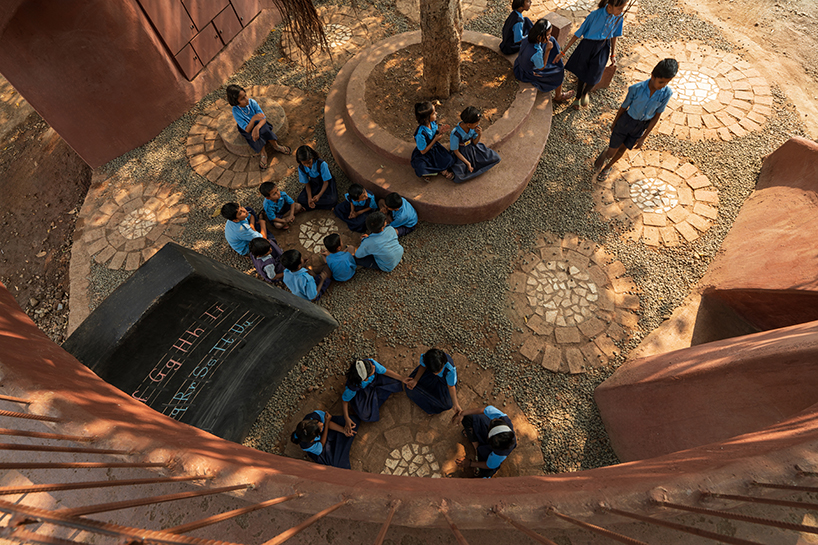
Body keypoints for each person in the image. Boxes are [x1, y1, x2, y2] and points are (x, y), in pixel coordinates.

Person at [594, 58, 677, 181]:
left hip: (640, 126)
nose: (663, 85)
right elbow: (624, 107)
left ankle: (607, 167)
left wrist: (643, 137)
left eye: (667, 82)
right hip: (626, 121)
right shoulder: (636, 88)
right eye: (661, 82)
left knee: (622, 150)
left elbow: (656, 116)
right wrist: (615, 123)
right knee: (611, 152)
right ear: (653, 76)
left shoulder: (666, 93)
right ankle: (607, 152)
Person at [555, 0, 627, 110]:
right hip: (587, 46)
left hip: (603, 47)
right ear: (609, 6)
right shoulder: (594, 15)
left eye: (623, 8)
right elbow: (578, 34)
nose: (622, 11)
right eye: (620, 8)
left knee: (596, 75)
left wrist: (613, 54)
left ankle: (585, 92)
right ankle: (578, 97)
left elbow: (614, 36)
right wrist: (563, 52)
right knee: (582, 72)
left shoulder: (618, 17)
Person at [225, 84, 291, 170]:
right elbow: (247, 129)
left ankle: (276, 146)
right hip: (247, 127)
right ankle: (263, 153)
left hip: (259, 123)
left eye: (245, 95)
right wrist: (253, 120)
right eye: (242, 99)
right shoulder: (235, 111)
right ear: (235, 102)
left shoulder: (252, 102)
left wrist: (257, 128)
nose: (246, 99)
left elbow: (263, 118)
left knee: (265, 130)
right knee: (255, 137)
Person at [513, 18, 574, 101]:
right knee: (558, 72)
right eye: (548, 34)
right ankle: (558, 96)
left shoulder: (527, 37)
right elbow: (541, 67)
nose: (550, 36)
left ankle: (555, 57)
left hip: (520, 63)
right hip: (527, 73)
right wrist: (547, 51)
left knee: (552, 40)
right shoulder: (536, 53)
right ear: (539, 37)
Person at [342, 358, 408, 433]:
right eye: (372, 370)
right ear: (366, 379)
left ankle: (374, 397)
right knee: (365, 414)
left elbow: (385, 371)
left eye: (372, 366)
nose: (374, 367)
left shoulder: (371, 363)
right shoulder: (353, 388)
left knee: (395, 381)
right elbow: (345, 401)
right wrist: (346, 418)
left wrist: (402, 379)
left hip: (375, 380)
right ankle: (375, 395)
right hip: (362, 392)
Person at [456, 405, 517, 478]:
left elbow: (489, 465)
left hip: (490, 448)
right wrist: (463, 413)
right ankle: (477, 448)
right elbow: (484, 410)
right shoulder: (503, 419)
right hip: (491, 437)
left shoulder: (500, 453)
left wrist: (470, 463)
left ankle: (475, 439)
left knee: (486, 475)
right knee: (467, 418)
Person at [290, 409, 358, 469]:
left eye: (317, 422)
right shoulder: (307, 445)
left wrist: (343, 430)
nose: (321, 424)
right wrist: (326, 424)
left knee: (353, 423)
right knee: (337, 464)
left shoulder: (314, 416)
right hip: (321, 444)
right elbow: (321, 444)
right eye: (320, 428)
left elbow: (325, 422)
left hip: (327, 429)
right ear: (313, 439)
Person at [405, 348, 462, 418]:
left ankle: (431, 409)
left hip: (443, 382)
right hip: (429, 375)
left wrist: (456, 404)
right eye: (435, 372)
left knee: (447, 404)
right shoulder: (427, 358)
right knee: (410, 386)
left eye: (438, 371)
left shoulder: (450, 370)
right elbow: (423, 366)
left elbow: (451, 386)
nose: (436, 374)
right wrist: (415, 380)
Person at [449, 107, 501, 183]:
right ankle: (473, 169)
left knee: (496, 158)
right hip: (461, 153)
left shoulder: (472, 128)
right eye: (476, 123)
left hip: (472, 148)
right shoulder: (455, 134)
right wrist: (468, 163)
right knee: (459, 177)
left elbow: (474, 143)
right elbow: (456, 151)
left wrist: (479, 134)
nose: (478, 125)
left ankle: (473, 171)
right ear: (469, 124)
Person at [410, 102, 455, 181]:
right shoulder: (420, 134)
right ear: (426, 118)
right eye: (433, 113)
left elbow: (436, 135)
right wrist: (435, 140)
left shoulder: (433, 123)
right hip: (425, 153)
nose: (436, 113)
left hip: (434, 148)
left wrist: (440, 133)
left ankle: (436, 171)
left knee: (449, 159)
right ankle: (440, 171)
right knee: (421, 167)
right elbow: (423, 152)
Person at [295, 145, 338, 210]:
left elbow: (326, 182)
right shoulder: (301, 168)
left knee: (333, 199)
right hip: (314, 184)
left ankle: (311, 206)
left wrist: (319, 195)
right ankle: (326, 206)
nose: (307, 165)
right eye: (304, 163)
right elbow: (307, 184)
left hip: (325, 183)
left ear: (312, 156)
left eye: (309, 162)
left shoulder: (322, 164)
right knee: (301, 199)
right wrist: (309, 198)